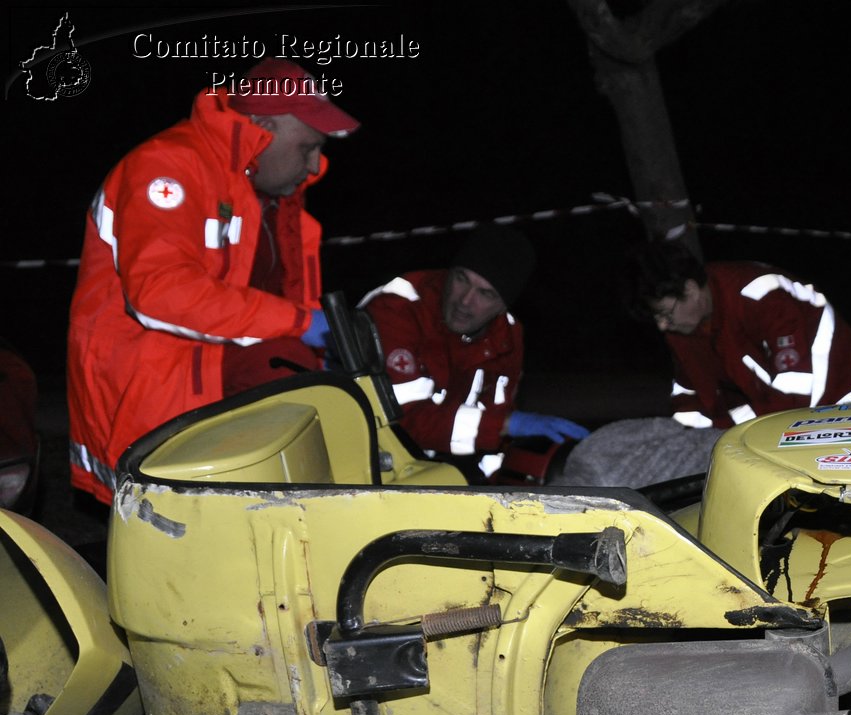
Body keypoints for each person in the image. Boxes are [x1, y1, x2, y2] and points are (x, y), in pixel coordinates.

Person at [66, 59, 357, 504]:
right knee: (167, 553)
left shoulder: (273, 199)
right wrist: (301, 324)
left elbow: (268, 316)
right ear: (261, 125)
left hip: (215, 407)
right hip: (153, 405)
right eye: (307, 148)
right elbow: (161, 294)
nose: (317, 164)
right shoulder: (167, 167)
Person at [360, 229, 587, 480]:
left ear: (503, 304)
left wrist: (500, 486)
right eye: (462, 279)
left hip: (433, 469)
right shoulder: (398, 308)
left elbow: (490, 431)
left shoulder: (506, 336)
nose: (465, 301)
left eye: (485, 293)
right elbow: (404, 422)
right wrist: (507, 424)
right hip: (371, 462)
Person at [621, 241, 851, 429]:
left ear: (691, 290)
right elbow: (690, 396)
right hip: (785, 428)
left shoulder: (761, 295)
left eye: (665, 314)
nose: (662, 326)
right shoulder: (685, 328)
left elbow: (794, 391)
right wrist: (686, 439)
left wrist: (730, 434)